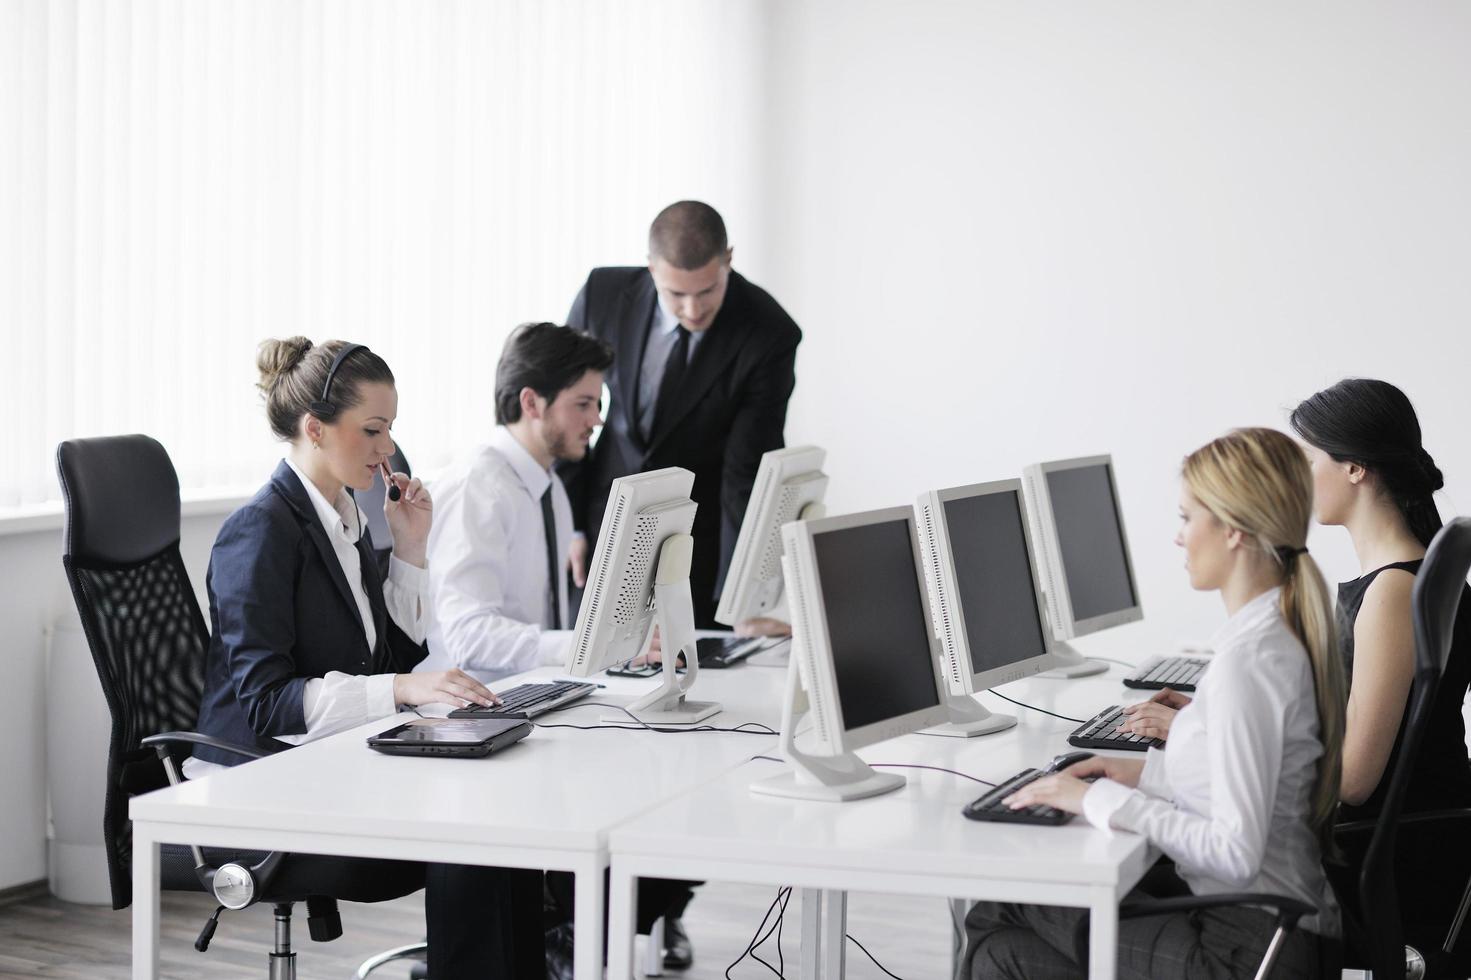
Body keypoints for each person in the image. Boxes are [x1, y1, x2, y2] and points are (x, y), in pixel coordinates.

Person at [189, 337, 545, 979]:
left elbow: (386, 660)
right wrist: (407, 690)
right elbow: (268, 704)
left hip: (324, 763)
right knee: (473, 835)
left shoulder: (348, 518)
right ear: (315, 429)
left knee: (505, 822)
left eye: (391, 430)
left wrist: (409, 549)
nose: (388, 450)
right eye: (373, 430)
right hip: (254, 786)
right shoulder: (260, 529)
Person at [966, 428, 1345, 979]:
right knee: (1000, 946)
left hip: (1246, 950)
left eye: (1188, 518)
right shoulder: (1262, 638)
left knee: (1000, 910)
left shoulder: (1252, 663)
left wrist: (1095, 801)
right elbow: (1240, 787)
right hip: (1261, 929)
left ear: (1233, 530)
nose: (1178, 537)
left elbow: (1236, 851)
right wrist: (1142, 775)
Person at [1117, 380, 1471, 962]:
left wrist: (1209, 745)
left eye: (1308, 459)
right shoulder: (1397, 573)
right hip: (1397, 839)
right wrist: (1228, 725)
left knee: (1143, 865)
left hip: (1389, 863)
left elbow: (1354, 780)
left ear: (1355, 469)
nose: (1297, 478)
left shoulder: (1390, 593)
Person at [562, 200, 802, 632]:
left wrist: (742, 599)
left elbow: (745, 473)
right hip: (602, 527)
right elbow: (566, 412)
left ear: (728, 260)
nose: (693, 310)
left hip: (698, 541)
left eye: (707, 290)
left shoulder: (769, 333)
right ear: (651, 268)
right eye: (676, 294)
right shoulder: (604, 295)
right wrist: (569, 525)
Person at [420, 322, 612, 681]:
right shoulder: (476, 487)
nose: (596, 420)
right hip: (467, 714)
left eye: (597, 404)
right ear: (531, 403)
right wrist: (583, 645)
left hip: (532, 694)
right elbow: (468, 636)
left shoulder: (551, 488)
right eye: (583, 404)